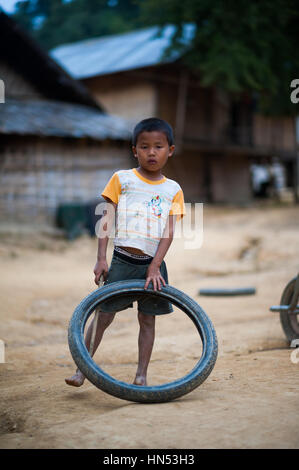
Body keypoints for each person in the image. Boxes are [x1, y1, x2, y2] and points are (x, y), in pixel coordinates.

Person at [65, 118, 186, 387]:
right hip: (121, 260)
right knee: (103, 316)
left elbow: (168, 233)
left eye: (158, 146)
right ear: (134, 150)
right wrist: (101, 258)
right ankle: (81, 370)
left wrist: (155, 266)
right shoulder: (122, 179)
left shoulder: (173, 189)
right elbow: (105, 220)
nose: (151, 152)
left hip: (152, 266)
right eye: (144, 146)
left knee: (147, 320)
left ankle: (141, 376)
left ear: (170, 150)